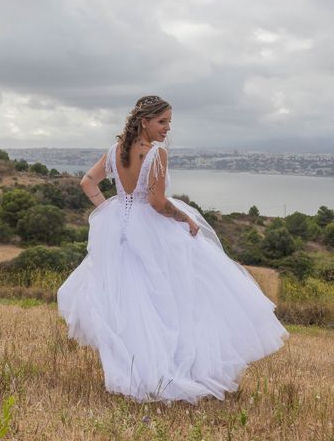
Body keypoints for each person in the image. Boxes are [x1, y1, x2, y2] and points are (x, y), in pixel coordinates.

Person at [57, 95, 289, 404]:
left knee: (130, 303)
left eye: (169, 122)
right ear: (145, 122)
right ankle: (170, 371)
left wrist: (113, 210)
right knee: (174, 302)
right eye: (162, 121)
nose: (167, 128)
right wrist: (186, 218)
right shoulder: (156, 153)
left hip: (121, 232)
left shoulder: (115, 152)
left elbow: (88, 182)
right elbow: (157, 202)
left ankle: (136, 373)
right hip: (152, 231)